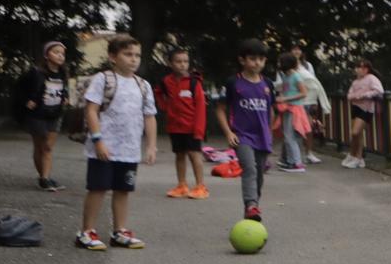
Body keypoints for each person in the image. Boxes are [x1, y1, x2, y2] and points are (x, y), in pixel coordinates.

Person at [76, 35, 158, 251]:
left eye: (137, 55)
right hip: (104, 148)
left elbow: (149, 116)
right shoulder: (103, 79)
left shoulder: (143, 85)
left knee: (123, 190)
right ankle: (86, 231)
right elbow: (91, 110)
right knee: (98, 188)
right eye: (128, 54)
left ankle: (119, 231)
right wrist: (98, 140)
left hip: (129, 149)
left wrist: (151, 145)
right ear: (113, 57)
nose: (133, 59)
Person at [217, 39, 276, 222]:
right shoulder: (234, 83)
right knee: (249, 168)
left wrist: (270, 131)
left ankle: (251, 209)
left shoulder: (267, 84)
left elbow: (271, 110)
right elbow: (220, 109)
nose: (257, 63)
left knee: (258, 176)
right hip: (242, 136)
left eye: (261, 59)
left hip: (262, 136)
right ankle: (251, 204)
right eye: (252, 58)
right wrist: (229, 132)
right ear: (242, 60)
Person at [14, 39, 72, 191]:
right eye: (56, 52)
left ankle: (45, 178)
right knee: (39, 146)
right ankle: (43, 177)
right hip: (38, 114)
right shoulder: (36, 72)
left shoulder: (63, 72)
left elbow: (64, 88)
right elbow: (19, 87)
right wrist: (27, 101)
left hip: (55, 114)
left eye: (62, 53)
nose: (60, 56)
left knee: (47, 147)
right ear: (47, 55)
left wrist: (65, 97)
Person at [157, 47, 211, 199]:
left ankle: (200, 186)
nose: (182, 65)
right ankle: (182, 185)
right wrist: (165, 107)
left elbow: (201, 107)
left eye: (185, 61)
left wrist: (199, 130)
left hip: (192, 128)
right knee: (179, 155)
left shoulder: (194, 83)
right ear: (170, 63)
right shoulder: (166, 82)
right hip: (175, 127)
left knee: (195, 155)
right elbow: (158, 93)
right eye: (178, 61)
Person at [276, 51, 320, 172]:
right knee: (287, 136)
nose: (278, 64)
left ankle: (296, 163)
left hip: (295, 109)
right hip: (287, 108)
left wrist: (285, 98)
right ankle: (290, 161)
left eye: (280, 62)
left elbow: (303, 93)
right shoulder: (285, 76)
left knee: (291, 137)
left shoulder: (296, 76)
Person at [344, 58, 384, 168]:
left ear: (367, 69)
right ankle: (357, 157)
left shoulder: (371, 78)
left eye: (361, 67)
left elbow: (379, 90)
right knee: (358, 134)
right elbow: (349, 94)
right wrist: (354, 97)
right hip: (355, 107)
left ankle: (357, 156)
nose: (358, 70)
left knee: (355, 132)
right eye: (357, 67)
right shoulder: (355, 81)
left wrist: (365, 95)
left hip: (366, 108)